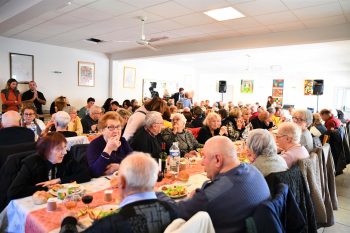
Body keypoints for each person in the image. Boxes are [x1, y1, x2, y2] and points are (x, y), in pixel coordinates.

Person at [162, 136, 270, 233]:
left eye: (204, 157)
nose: (202, 162)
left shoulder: (213, 194)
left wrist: (157, 194)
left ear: (218, 159)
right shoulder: (252, 169)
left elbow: (175, 212)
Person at [60, 152, 178, 233]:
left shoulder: (110, 224)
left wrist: (68, 221)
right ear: (154, 181)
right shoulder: (174, 210)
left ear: (122, 182)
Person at [7, 132, 91, 200]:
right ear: (46, 150)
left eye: (65, 147)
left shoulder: (66, 156)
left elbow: (85, 174)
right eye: (59, 149)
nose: (64, 152)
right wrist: (46, 188)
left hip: (61, 200)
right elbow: (14, 192)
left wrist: (58, 180)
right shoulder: (32, 163)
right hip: (37, 202)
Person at [87, 112, 132, 177]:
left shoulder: (122, 141)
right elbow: (94, 172)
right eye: (111, 127)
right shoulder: (94, 145)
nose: (116, 131)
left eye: (118, 127)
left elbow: (134, 162)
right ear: (102, 130)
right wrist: (108, 149)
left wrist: (120, 166)